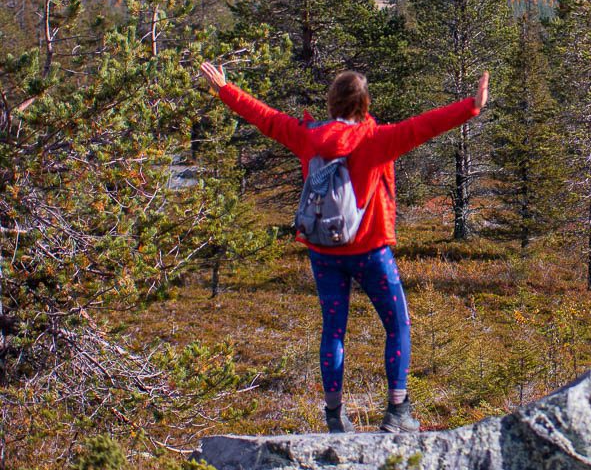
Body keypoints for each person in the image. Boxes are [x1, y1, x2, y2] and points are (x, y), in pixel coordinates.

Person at [200, 61, 489, 434]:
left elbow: (266, 118)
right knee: (397, 325)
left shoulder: (307, 137)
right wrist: (471, 106)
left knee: (333, 331)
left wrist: (226, 90)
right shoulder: (376, 139)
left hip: (325, 253)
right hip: (371, 252)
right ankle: (397, 411)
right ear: (365, 104)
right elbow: (425, 125)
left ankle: (335, 417)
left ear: (331, 103)